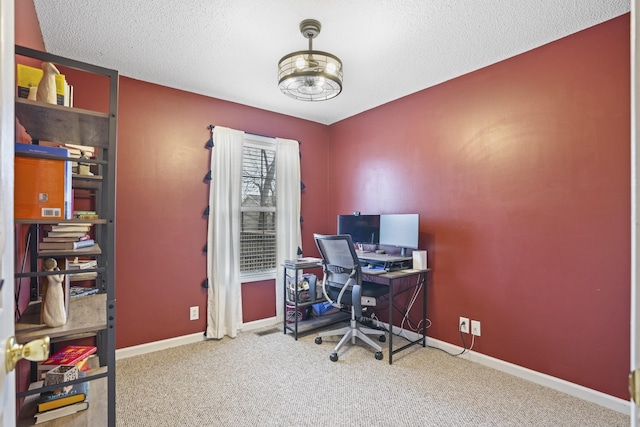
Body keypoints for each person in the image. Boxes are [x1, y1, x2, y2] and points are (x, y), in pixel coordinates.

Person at [42, 258, 67, 327]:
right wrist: (62, 273)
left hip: (52, 289)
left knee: (52, 303)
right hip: (55, 289)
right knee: (57, 303)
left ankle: (53, 319)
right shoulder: (52, 272)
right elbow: (59, 280)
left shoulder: (48, 272)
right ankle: (58, 319)